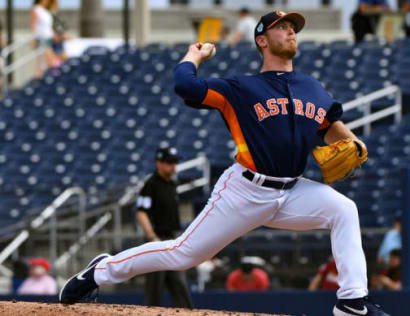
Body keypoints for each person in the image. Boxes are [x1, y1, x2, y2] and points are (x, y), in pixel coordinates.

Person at [60, 10, 391, 316]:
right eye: (283, 28)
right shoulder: (241, 87)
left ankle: (351, 303)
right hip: (245, 190)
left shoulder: (313, 88)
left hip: (292, 191)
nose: (291, 32)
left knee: (344, 210)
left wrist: (352, 141)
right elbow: (184, 85)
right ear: (262, 40)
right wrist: (195, 55)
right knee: (183, 254)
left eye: (293, 29)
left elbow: (329, 126)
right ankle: (100, 270)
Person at [136, 147, 193, 308]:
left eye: (175, 162)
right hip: (157, 239)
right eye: (169, 162)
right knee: (155, 287)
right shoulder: (151, 184)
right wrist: (152, 237)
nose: (173, 166)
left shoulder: (172, 184)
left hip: (172, 239)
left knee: (180, 285)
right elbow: (141, 213)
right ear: (158, 163)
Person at [31, 0, 59, 78]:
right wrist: (33, 39)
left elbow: (49, 26)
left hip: (49, 38)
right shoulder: (36, 9)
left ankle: (48, 78)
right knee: (50, 61)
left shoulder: (47, 10)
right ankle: (54, 77)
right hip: (42, 39)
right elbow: (33, 25)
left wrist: (54, 34)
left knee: (43, 63)